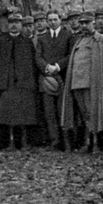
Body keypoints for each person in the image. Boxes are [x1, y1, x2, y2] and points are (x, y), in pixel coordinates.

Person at [61, 12, 103, 154]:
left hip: (93, 84)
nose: (83, 26)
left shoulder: (101, 40)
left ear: (93, 23)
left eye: (86, 23)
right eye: (81, 23)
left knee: (94, 114)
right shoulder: (78, 41)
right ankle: (88, 143)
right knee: (85, 116)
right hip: (77, 84)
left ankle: (97, 144)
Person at [0, 13, 39, 150]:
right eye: (11, 22)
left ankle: (23, 142)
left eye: (17, 22)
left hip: (23, 83)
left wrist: (29, 81)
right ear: (7, 24)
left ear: (21, 25)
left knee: (24, 113)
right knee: (8, 114)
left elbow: (32, 63)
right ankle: (11, 142)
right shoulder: (2, 41)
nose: (14, 25)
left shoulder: (26, 41)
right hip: (7, 82)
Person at [34, 10, 73, 150]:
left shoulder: (68, 36)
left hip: (62, 78)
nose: (52, 22)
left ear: (60, 20)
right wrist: (47, 68)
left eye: (55, 19)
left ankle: (67, 142)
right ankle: (54, 140)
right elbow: (38, 57)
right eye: (49, 20)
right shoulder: (42, 38)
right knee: (49, 112)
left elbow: (70, 55)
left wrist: (57, 66)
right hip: (47, 79)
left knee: (63, 110)